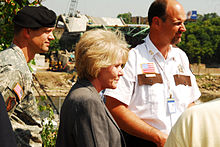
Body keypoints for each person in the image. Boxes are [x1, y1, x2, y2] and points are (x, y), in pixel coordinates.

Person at [104, 0, 201, 146]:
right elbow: (114, 107)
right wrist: (158, 137)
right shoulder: (133, 57)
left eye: (184, 23)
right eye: (177, 23)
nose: (183, 28)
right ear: (156, 22)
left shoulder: (181, 57)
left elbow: (190, 103)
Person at [56, 29, 129, 147]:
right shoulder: (88, 101)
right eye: (116, 66)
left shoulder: (82, 92)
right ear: (98, 64)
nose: (121, 73)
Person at [0, 6, 56, 146]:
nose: (52, 37)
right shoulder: (15, 70)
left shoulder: (12, 60)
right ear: (28, 31)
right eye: (47, 32)